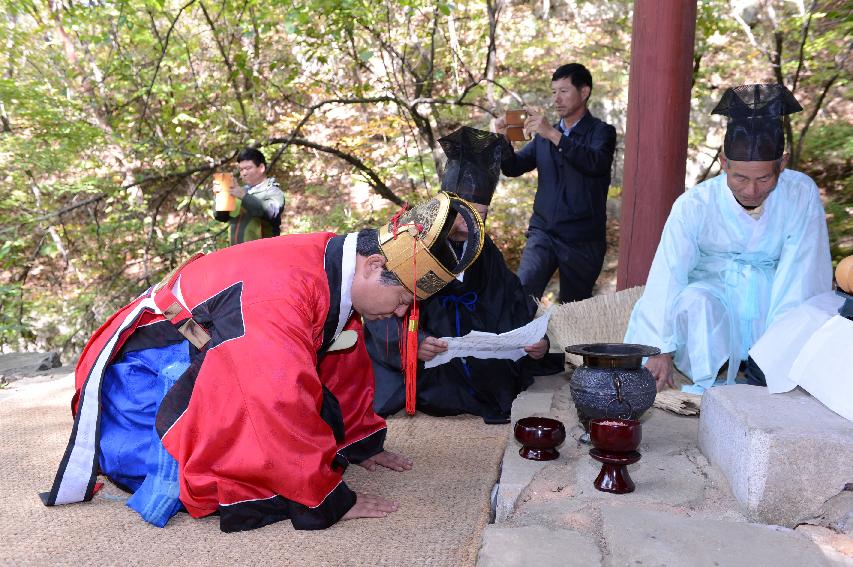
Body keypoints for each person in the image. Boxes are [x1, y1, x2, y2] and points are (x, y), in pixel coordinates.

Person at [42, 192, 485, 532]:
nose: (403, 314)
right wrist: (325, 497)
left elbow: (340, 360)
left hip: (223, 350)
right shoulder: (282, 293)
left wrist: (358, 441)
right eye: (404, 299)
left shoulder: (337, 262)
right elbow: (277, 399)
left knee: (311, 426)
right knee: (246, 482)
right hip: (149, 374)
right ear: (372, 266)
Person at [624, 83, 832, 394]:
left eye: (764, 178)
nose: (751, 190)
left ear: (782, 164)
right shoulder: (694, 205)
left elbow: (801, 273)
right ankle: (713, 379)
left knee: (800, 316)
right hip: (715, 295)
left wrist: (779, 352)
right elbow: (669, 275)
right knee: (694, 302)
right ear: (724, 163)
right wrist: (659, 348)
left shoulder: (800, 193)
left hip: (772, 296)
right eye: (740, 178)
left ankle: (761, 370)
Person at [365, 127, 548, 424]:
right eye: (464, 213)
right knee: (434, 392)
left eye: (482, 215)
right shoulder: (412, 238)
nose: (472, 223)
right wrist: (414, 341)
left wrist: (536, 341)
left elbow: (510, 297)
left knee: (503, 385)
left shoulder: (484, 247)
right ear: (445, 206)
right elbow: (378, 306)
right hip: (431, 353)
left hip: (473, 350)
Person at [496, 63, 617, 304]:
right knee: (522, 293)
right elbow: (513, 168)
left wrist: (552, 134)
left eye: (564, 91)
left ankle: (557, 343)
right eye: (553, 92)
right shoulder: (543, 137)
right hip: (544, 232)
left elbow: (596, 163)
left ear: (584, 93)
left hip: (583, 238)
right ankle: (517, 341)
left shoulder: (602, 132)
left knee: (573, 307)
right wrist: (502, 139)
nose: (556, 99)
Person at [214, 148, 285, 245]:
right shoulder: (239, 191)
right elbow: (221, 217)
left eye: (247, 168)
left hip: (264, 253)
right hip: (237, 254)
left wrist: (243, 195)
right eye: (241, 169)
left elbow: (270, 212)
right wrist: (221, 196)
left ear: (261, 168)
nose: (244, 173)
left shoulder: (273, 191)